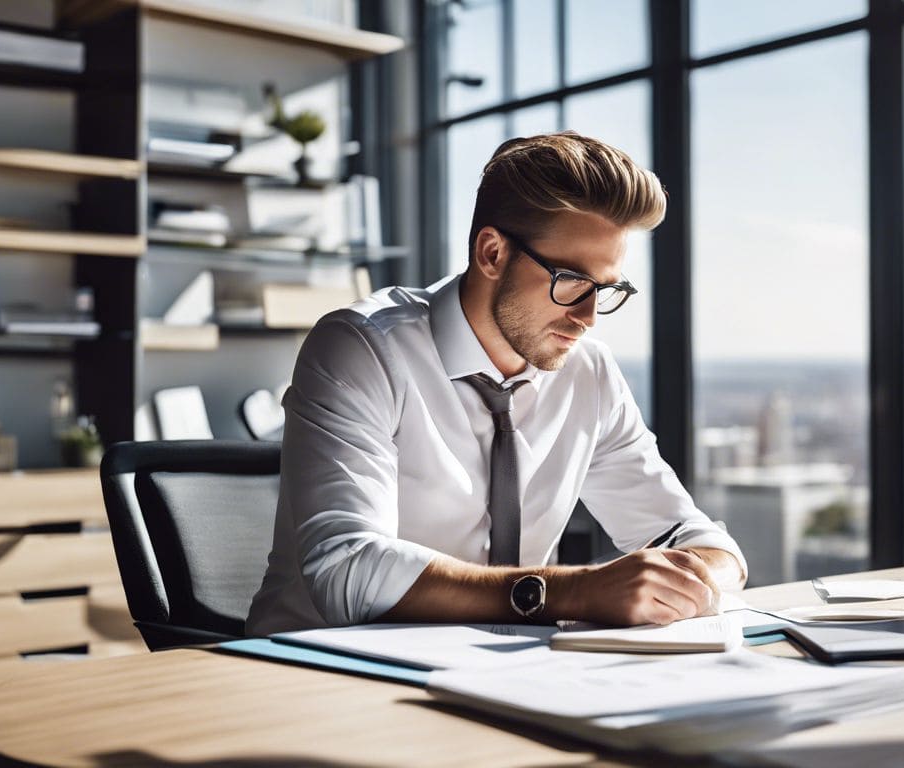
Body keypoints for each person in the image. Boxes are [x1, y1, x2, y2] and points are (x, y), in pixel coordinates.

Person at [246, 132, 746, 635]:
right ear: (492, 253)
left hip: (505, 674)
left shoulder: (588, 374)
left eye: (606, 289)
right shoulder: (360, 349)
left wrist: (695, 580)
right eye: (571, 280)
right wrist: (574, 592)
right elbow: (345, 570)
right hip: (322, 673)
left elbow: (696, 537)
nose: (589, 316)